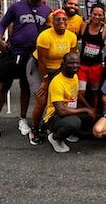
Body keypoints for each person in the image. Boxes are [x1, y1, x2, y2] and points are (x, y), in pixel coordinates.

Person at [0, 0, 52, 140]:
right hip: (13, 51)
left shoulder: (47, 11)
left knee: (25, 87)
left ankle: (23, 119)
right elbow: (2, 24)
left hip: (31, 55)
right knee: (4, 86)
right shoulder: (17, 6)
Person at [27, 8, 77, 145]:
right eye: (57, 19)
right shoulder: (45, 36)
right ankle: (34, 129)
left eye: (64, 19)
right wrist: (45, 81)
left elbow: (71, 58)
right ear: (52, 22)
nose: (61, 21)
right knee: (42, 99)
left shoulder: (71, 36)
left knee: (60, 99)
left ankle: (51, 126)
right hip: (39, 67)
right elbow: (42, 61)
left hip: (58, 69)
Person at [43, 53, 96, 153]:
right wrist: (85, 109)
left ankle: (69, 133)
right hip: (54, 117)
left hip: (70, 112)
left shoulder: (74, 76)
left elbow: (77, 94)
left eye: (77, 63)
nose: (75, 66)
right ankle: (55, 137)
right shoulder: (57, 82)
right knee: (74, 123)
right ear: (63, 64)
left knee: (92, 116)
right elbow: (61, 110)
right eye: (71, 63)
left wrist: (89, 108)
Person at [78, 3, 106, 108]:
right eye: (95, 14)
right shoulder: (84, 25)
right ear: (90, 14)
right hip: (82, 65)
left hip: (96, 66)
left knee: (94, 92)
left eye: (100, 15)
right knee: (81, 92)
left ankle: (94, 113)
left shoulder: (105, 29)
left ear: (103, 16)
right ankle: (83, 112)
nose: (97, 17)